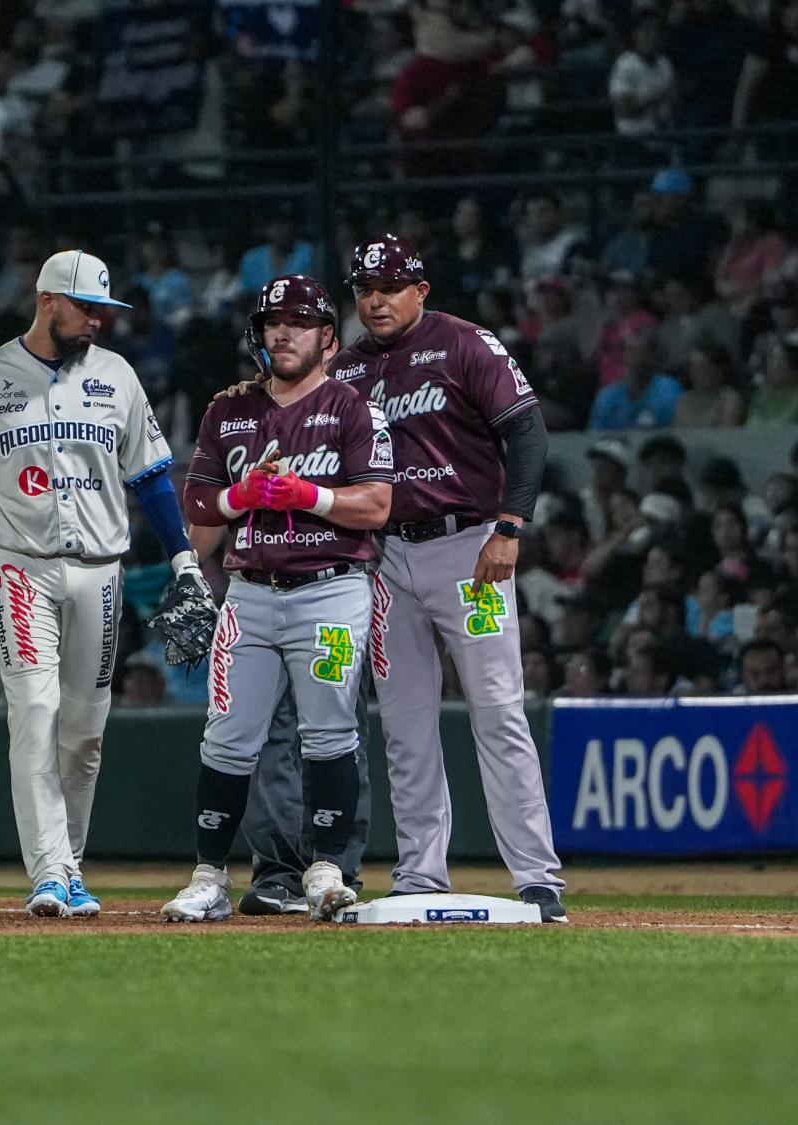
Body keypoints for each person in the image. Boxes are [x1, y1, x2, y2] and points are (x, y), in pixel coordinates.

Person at [0, 250, 191, 919]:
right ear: (46, 301)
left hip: (99, 568)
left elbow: (152, 479)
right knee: (35, 710)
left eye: (102, 309)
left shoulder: (116, 376)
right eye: (85, 307)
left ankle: (70, 865)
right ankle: (49, 872)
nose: (97, 320)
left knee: (85, 731)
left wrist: (183, 560)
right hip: (16, 564)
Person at [328, 234, 568, 921]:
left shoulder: (464, 343)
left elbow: (527, 431)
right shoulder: (347, 369)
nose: (376, 301)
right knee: (404, 722)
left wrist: (510, 526)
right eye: (365, 290)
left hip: (470, 550)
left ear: (420, 289)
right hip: (386, 558)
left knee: (498, 707)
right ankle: (420, 872)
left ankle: (537, 875)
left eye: (390, 287)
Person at [160, 275, 394, 925]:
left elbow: (377, 504)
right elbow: (198, 510)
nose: (283, 332)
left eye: (299, 321)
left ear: (328, 337)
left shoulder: (353, 407)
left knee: (330, 730)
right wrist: (240, 500)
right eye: (272, 321)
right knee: (228, 738)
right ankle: (209, 875)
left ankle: (328, 870)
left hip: (333, 588)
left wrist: (306, 495)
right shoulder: (229, 409)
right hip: (250, 592)